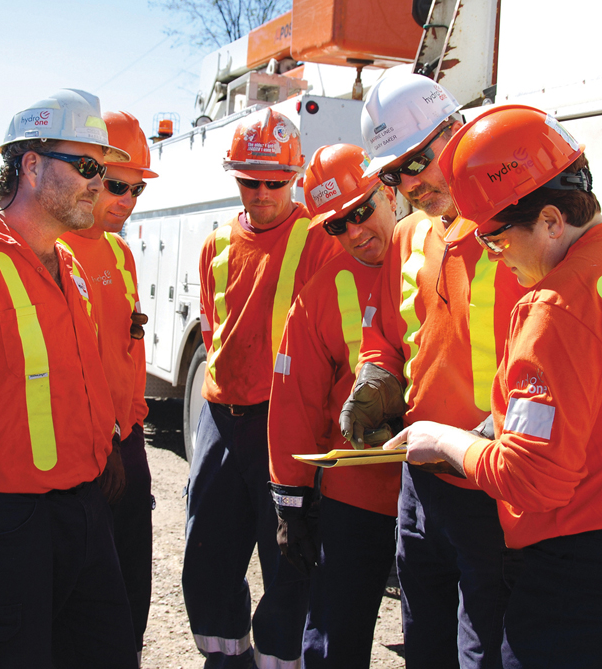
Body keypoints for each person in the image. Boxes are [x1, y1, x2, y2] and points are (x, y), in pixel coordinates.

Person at [387, 103, 602, 668]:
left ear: (552, 220)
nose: (496, 257)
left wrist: (452, 442)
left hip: (569, 567)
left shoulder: (554, 310)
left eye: (499, 241)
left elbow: (532, 479)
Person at [340, 70, 525, 669]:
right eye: (394, 173)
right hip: (420, 487)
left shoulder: (516, 225)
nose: (411, 183)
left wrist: (502, 429)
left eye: (420, 159)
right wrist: (376, 379)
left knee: (485, 651)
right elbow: (390, 338)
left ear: (457, 127)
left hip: (493, 486)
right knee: (424, 645)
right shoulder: (412, 233)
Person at [182, 108, 340, 669]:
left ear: (295, 177)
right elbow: (211, 325)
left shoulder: (320, 241)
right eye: (252, 180)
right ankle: (227, 659)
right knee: (206, 556)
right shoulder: (216, 245)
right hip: (221, 418)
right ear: (235, 177)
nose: (265, 191)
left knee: (288, 562)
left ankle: (278, 660)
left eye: (277, 181)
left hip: (285, 422)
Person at [0, 88, 138, 668]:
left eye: (102, 170)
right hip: (11, 525)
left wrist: (108, 444)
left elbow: (81, 374)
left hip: (85, 509)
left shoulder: (72, 263)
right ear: (31, 165)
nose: (98, 183)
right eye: (85, 167)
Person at [268, 143, 402, 668]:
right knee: (334, 639)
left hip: (445, 492)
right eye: (336, 225)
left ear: (389, 192)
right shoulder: (321, 292)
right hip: (358, 497)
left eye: (362, 211)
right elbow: (293, 398)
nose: (354, 232)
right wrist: (290, 502)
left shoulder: (439, 256)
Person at [60, 110, 157, 666]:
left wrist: (125, 440)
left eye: (136, 189)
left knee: (129, 598)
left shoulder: (120, 255)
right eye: (117, 186)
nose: (127, 199)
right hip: (83, 455)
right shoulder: (52, 252)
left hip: (128, 445)